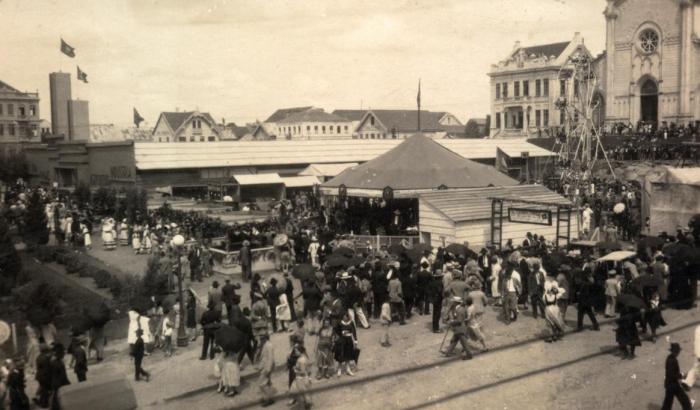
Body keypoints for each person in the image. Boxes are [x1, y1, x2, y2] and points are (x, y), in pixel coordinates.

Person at [662, 343, 692, 410]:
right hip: (672, 385)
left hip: (670, 384)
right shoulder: (672, 361)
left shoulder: (670, 358)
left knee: (667, 403)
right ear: (675, 352)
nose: (678, 353)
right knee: (685, 401)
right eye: (677, 352)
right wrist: (682, 375)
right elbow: (672, 375)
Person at [334, 313, 358, 377]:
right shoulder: (340, 323)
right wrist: (341, 334)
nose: (345, 318)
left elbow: (354, 332)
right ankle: (339, 369)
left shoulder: (351, 323)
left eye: (347, 317)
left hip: (349, 340)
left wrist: (355, 341)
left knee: (348, 355)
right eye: (344, 317)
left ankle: (348, 369)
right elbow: (336, 330)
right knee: (341, 355)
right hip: (342, 340)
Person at [291, 345, 313, 409]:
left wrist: (295, 370)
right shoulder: (305, 358)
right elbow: (308, 371)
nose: (295, 352)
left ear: (300, 351)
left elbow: (303, 372)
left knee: (301, 395)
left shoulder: (301, 360)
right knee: (306, 395)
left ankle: (305, 407)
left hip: (301, 379)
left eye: (296, 351)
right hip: (306, 379)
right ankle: (307, 406)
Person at [257, 334, 276, 407]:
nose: (260, 340)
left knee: (262, 384)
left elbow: (271, 358)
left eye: (261, 339)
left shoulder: (269, 345)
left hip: (267, 368)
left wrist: (268, 369)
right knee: (267, 383)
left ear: (265, 338)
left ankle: (269, 399)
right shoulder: (264, 345)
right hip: (264, 367)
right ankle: (268, 397)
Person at [49, 344, 70, 410]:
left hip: (56, 384)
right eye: (63, 352)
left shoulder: (54, 361)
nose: (64, 353)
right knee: (58, 400)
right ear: (60, 353)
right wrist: (67, 383)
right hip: (59, 384)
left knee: (56, 399)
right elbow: (62, 376)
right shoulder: (58, 363)